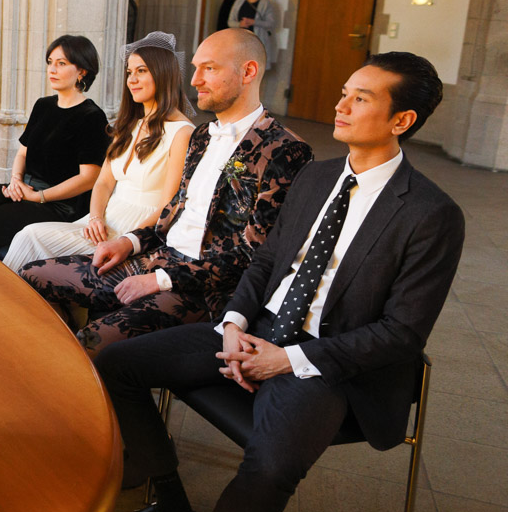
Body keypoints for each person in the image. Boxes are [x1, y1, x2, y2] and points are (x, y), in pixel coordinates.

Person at [97, 52, 463, 512]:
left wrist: (286, 360)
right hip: (256, 329)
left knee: (270, 468)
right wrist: (233, 324)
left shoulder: (431, 214)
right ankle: (174, 510)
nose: (341, 106)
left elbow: (402, 334)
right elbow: (268, 259)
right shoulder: (317, 177)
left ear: (401, 120)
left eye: (361, 99)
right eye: (343, 92)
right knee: (117, 365)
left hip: (327, 362)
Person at [21, 29, 312, 354]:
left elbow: (253, 255)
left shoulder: (284, 150)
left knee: (87, 346)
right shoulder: (202, 136)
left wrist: (160, 280)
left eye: (210, 69)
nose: (195, 80)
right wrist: (128, 241)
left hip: (202, 288)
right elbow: (172, 209)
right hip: (156, 257)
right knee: (31, 274)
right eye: (196, 68)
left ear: (248, 72)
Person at [2, 32, 195, 277]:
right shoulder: (130, 125)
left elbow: (170, 205)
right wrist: (95, 218)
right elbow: (103, 182)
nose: (132, 80)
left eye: (142, 71)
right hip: (101, 222)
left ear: (163, 73)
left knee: (29, 238)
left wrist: (128, 240)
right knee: (28, 235)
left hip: (133, 229)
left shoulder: (182, 132)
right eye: (129, 72)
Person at [0, 34, 108, 252]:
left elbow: (89, 178)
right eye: (50, 62)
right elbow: (22, 153)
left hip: (59, 204)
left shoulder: (92, 116)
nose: (52, 70)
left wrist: (39, 196)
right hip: (25, 188)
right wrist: (15, 180)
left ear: (82, 71)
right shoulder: (44, 105)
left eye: (61, 64)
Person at [228, 0, 275, 68]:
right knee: (238, 68)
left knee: (255, 69)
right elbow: (230, 21)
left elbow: (271, 23)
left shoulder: (266, 3)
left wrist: (254, 22)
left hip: (257, 41)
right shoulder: (239, 2)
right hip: (240, 41)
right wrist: (239, 24)